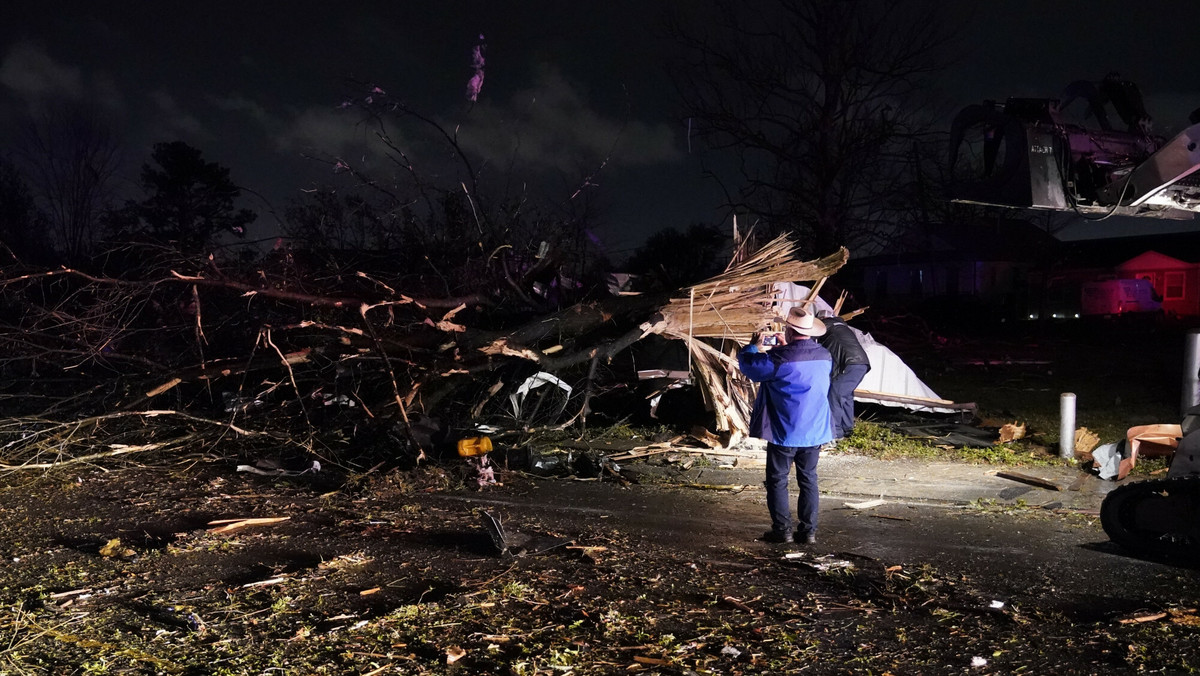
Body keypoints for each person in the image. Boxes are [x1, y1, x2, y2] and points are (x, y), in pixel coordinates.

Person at [737, 306, 832, 544]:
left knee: (778, 480)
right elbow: (798, 367)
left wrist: (752, 346)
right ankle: (808, 532)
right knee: (808, 478)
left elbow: (750, 366)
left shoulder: (778, 359)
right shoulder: (825, 355)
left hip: (785, 430)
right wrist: (784, 349)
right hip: (815, 430)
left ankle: (782, 531)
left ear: (788, 330)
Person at [816, 311, 871, 441]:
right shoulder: (842, 326)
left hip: (849, 363)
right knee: (846, 396)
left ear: (822, 319)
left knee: (835, 396)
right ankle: (847, 428)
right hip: (861, 363)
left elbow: (811, 339)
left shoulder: (826, 325)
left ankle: (835, 433)